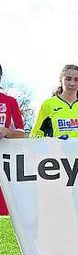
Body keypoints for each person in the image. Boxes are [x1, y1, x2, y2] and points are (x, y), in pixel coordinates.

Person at [30, 64, 78, 139]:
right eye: (68, 79)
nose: (72, 83)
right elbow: (34, 135)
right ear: (61, 80)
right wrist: (52, 141)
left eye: (76, 79)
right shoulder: (48, 104)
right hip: (56, 150)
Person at [0, 63, 25, 216]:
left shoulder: (10, 101)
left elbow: (21, 133)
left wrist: (7, 131)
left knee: (4, 212)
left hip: (4, 163)